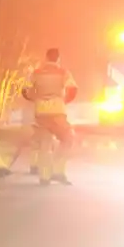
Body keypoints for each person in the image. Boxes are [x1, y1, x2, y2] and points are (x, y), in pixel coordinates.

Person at [23, 48, 78, 185]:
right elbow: (72, 89)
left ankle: (45, 176)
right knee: (68, 138)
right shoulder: (63, 72)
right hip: (57, 111)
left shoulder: (36, 73)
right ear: (58, 58)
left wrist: (36, 99)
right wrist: (64, 101)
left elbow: (25, 90)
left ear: (46, 58)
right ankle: (57, 171)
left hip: (41, 111)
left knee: (45, 143)